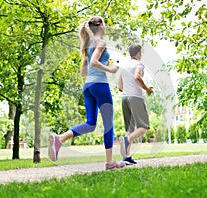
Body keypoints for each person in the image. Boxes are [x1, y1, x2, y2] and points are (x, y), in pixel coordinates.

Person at [48, 16, 125, 170]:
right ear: (101, 25)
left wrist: (101, 63)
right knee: (109, 124)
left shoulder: (88, 46)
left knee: (90, 124)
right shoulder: (101, 43)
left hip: (88, 86)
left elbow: (84, 71)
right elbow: (93, 62)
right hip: (99, 85)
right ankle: (110, 163)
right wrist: (110, 69)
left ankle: (60, 138)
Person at [118, 43, 153, 165]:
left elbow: (120, 87)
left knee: (130, 128)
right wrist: (147, 89)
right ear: (138, 53)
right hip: (135, 97)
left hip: (124, 98)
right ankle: (127, 140)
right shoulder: (138, 64)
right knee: (143, 127)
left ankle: (126, 157)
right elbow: (137, 77)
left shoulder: (124, 66)